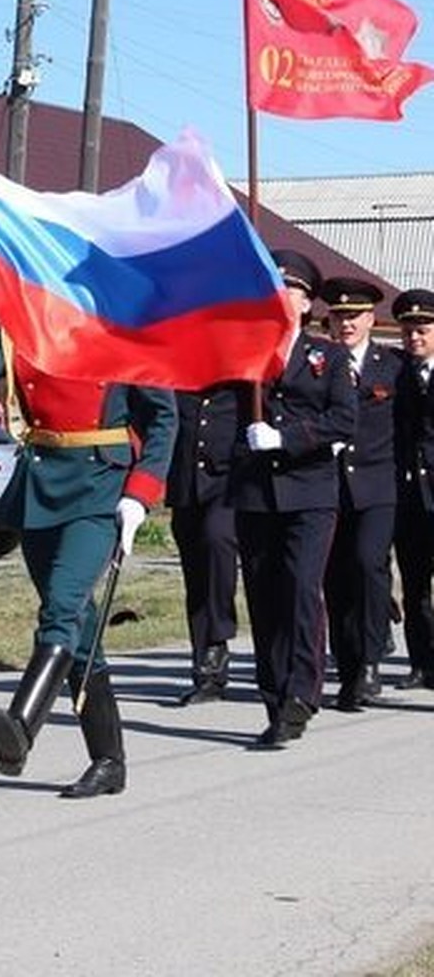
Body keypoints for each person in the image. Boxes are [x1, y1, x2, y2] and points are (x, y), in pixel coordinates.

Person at [0, 331, 176, 797]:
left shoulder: (126, 336)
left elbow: (163, 423)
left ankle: (22, 724)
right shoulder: (23, 330)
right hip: (42, 484)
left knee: (63, 609)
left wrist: (140, 495)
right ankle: (109, 761)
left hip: (99, 487)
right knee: (79, 630)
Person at [232, 250, 356, 747]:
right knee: (264, 598)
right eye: (274, 289)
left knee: (302, 590)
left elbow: (343, 422)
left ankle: (301, 696)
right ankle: (273, 693)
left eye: (292, 291)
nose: (282, 299)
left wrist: (287, 438)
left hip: (309, 492)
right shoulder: (245, 355)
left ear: (306, 304)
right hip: (257, 493)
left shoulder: (328, 358)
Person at [320, 277, 401, 710]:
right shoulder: (319, 362)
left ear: (371, 319)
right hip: (329, 485)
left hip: (378, 485)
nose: (345, 323)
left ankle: (369, 661)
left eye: (353, 316)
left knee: (370, 566)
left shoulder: (393, 366)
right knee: (335, 576)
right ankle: (348, 662)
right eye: (338, 316)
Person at [166, 383, 241, 704]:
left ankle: (216, 642)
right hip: (186, 482)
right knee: (196, 572)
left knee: (217, 542)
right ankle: (206, 666)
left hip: (229, 482)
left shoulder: (239, 379)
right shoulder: (175, 375)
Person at [391, 288, 434, 690]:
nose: (413, 338)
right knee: (415, 582)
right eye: (407, 331)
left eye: (421, 330)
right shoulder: (396, 374)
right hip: (408, 494)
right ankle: (421, 662)